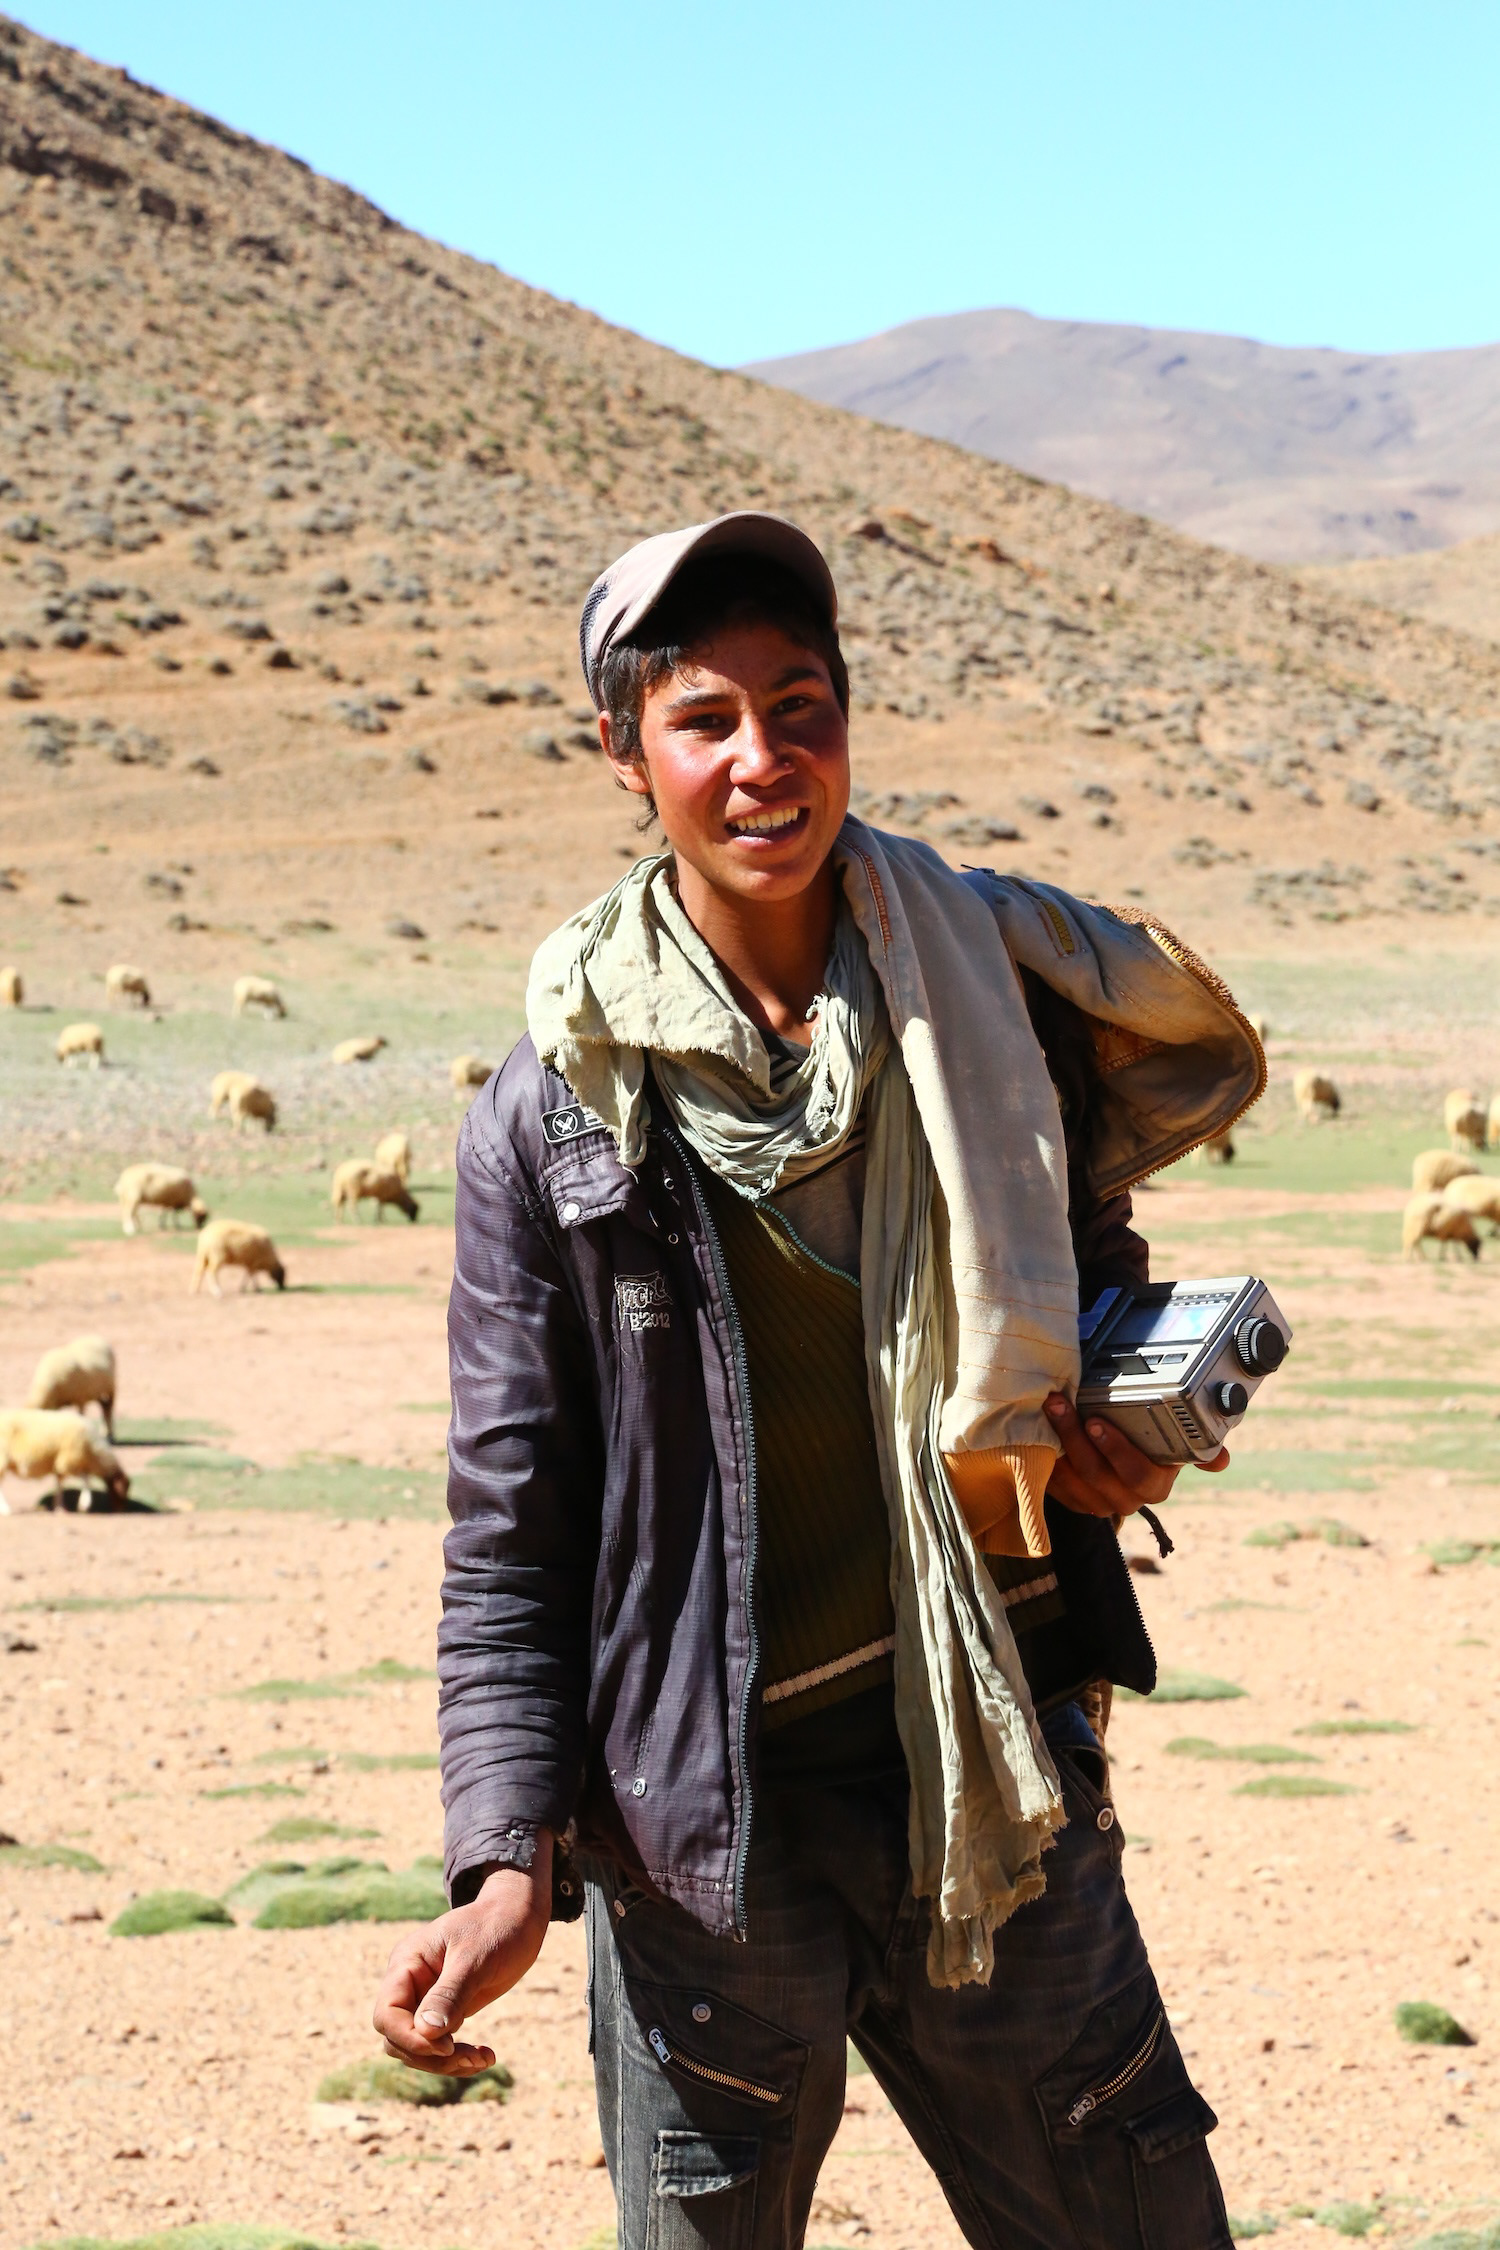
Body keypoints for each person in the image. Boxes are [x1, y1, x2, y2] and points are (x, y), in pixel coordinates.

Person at [373, 512, 1261, 2249]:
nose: (764, 761)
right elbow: (513, 1534)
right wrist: (502, 1863)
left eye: (804, 706)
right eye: (706, 719)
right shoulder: (552, 1113)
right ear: (623, 751)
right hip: (710, 1849)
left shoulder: (994, 1002)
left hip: (992, 1777)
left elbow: (1088, 1295)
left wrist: (1103, 1456)